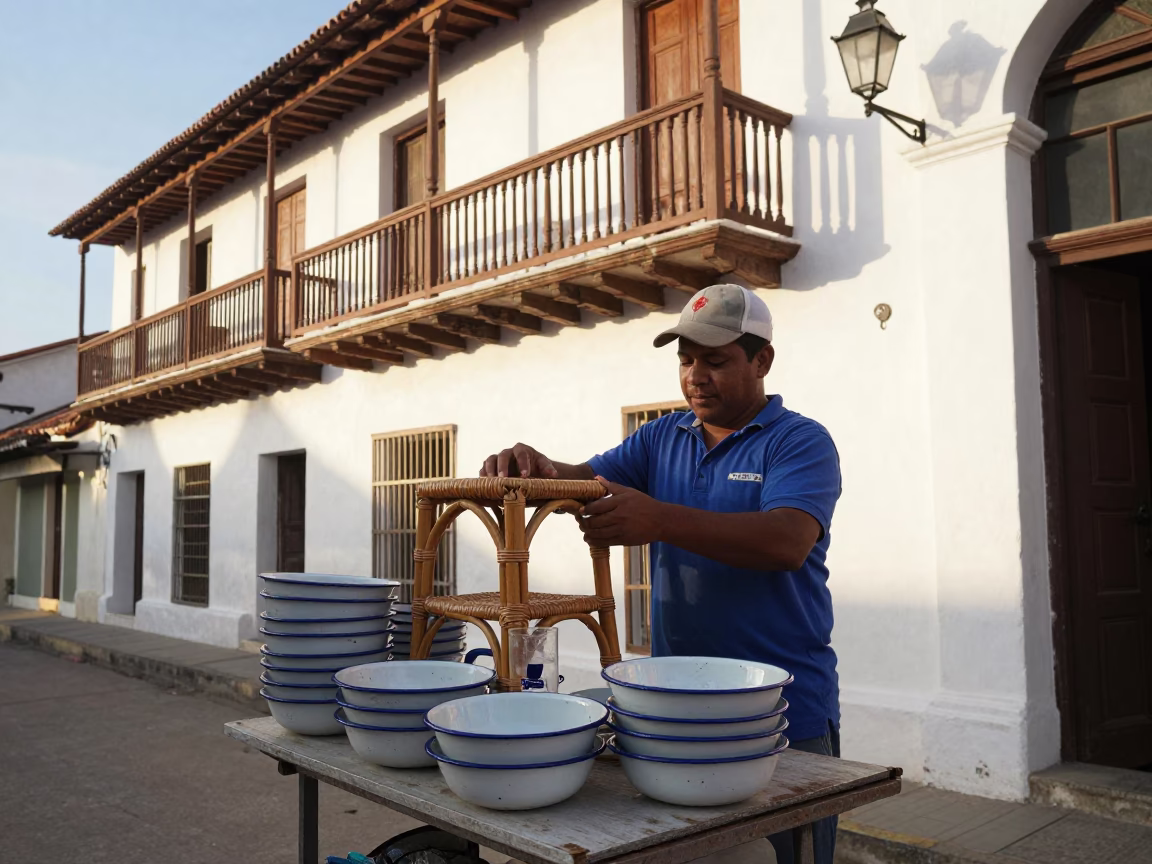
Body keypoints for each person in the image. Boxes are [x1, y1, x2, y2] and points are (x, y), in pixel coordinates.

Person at [481, 283, 842, 864]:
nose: (696, 375)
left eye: (716, 360)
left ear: (762, 361)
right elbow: (582, 482)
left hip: (780, 713)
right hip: (675, 711)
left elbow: (786, 542)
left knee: (784, 856)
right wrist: (536, 468)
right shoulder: (660, 437)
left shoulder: (799, 441)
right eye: (686, 359)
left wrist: (658, 519)